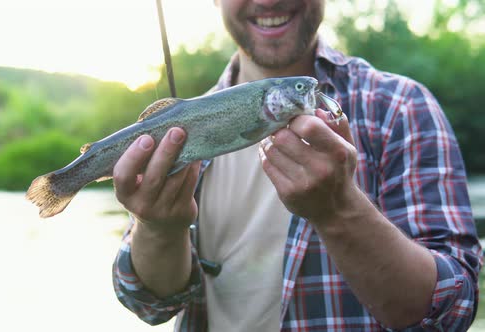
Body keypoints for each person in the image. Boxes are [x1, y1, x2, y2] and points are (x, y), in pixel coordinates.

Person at [111, 0, 482, 330]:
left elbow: (452, 311)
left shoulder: (402, 107)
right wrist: (158, 228)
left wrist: (339, 211)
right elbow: (150, 304)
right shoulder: (178, 128)